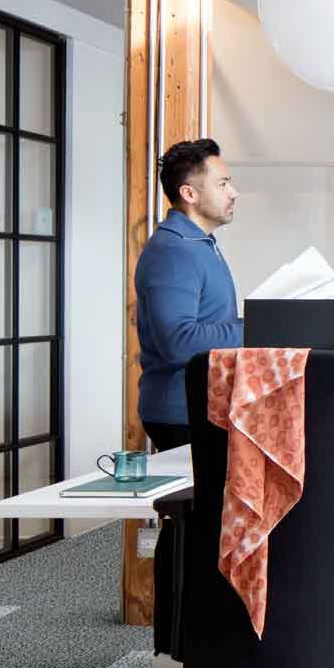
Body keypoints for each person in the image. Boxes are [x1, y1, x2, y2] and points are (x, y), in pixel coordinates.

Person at [133, 138, 243, 452]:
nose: (232, 192)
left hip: (205, 407)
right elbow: (178, 342)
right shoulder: (175, 251)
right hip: (183, 415)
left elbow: (211, 322)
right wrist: (258, 330)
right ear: (189, 193)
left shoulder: (197, 244)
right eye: (222, 184)